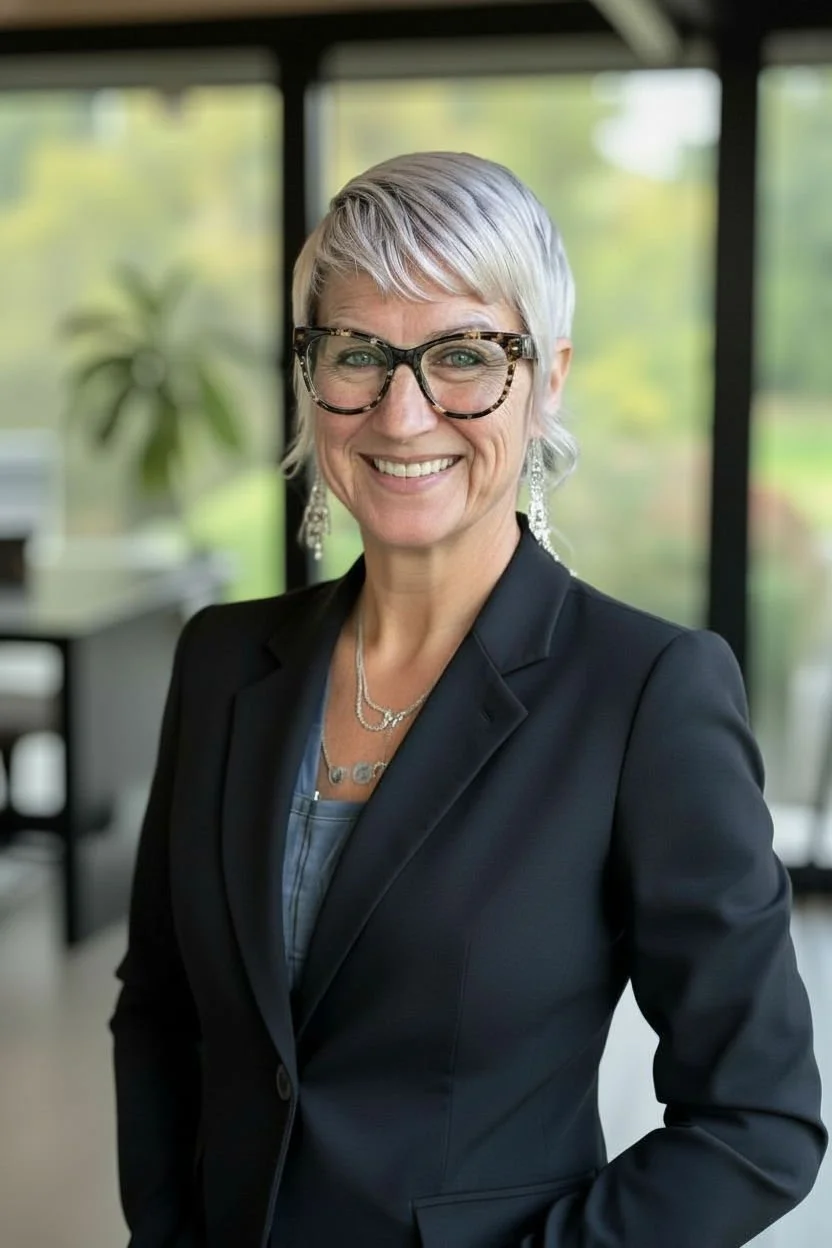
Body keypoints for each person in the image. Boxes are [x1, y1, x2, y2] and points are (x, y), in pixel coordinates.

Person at [110, 151, 826, 1248]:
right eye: (359, 353)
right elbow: (159, 1013)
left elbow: (755, 1122)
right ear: (312, 375)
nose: (403, 415)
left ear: (547, 377)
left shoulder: (646, 695)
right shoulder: (220, 661)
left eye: (462, 357)